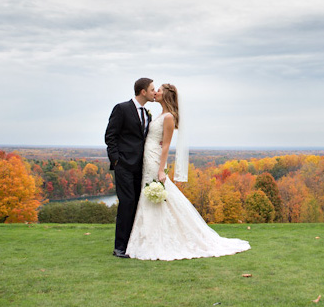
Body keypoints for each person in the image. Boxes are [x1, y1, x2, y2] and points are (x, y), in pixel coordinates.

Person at [125, 83, 250, 261]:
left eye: (159, 90)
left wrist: (161, 169)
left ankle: (159, 238)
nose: (156, 93)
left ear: (166, 96)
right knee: (150, 195)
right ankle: (147, 236)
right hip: (148, 158)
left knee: (157, 193)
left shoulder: (168, 117)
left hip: (154, 161)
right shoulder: (159, 114)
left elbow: (167, 144)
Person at [105, 77, 156, 258]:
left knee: (136, 205)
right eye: (152, 89)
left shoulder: (147, 113)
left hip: (141, 167)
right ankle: (120, 247)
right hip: (124, 166)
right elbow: (110, 136)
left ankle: (132, 245)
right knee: (126, 204)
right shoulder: (122, 108)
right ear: (143, 91)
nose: (154, 92)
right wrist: (116, 161)